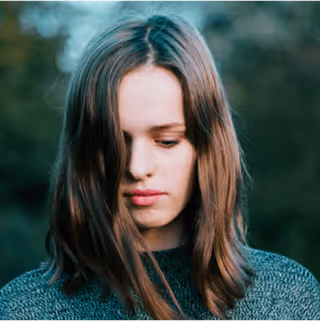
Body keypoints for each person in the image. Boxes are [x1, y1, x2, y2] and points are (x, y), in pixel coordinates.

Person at [0, 13, 319, 321]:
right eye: (114, 144)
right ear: (84, 151)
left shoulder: (285, 298)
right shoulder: (24, 309)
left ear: (207, 147)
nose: (137, 168)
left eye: (166, 141)